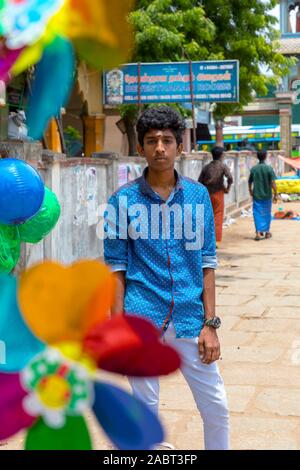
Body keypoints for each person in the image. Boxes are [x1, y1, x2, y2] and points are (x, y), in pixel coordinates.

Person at [104, 106, 229, 450]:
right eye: (152, 141)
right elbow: (116, 267)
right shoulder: (121, 201)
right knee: (144, 411)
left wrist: (211, 324)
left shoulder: (199, 196)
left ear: (179, 147)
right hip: (141, 317)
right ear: (141, 148)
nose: (160, 147)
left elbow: (207, 262)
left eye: (167, 140)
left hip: (190, 320)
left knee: (216, 407)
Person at [198, 146, 233, 246]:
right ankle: (216, 240)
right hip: (218, 193)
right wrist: (227, 188)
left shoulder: (207, 167)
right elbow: (230, 178)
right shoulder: (222, 166)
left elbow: (199, 181)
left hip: (207, 193)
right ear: (221, 155)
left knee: (207, 216)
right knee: (218, 215)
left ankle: (206, 239)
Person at [248, 149, 278, 240]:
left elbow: (249, 182)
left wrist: (250, 191)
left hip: (257, 195)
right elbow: (273, 183)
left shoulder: (254, 169)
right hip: (267, 195)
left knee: (257, 213)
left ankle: (257, 232)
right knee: (266, 213)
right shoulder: (269, 168)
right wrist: (276, 194)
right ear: (265, 157)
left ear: (257, 157)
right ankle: (267, 232)